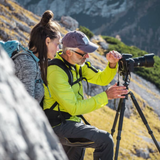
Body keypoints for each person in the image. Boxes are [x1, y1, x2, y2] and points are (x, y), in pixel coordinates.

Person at [43, 30, 128, 160]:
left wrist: (112, 64)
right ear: (69, 52)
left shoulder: (77, 65)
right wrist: (106, 96)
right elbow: (74, 108)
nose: (87, 56)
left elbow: (101, 79)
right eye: (83, 53)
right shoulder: (55, 72)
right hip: (57, 125)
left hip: (71, 123)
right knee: (105, 140)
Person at [13, 10, 61, 103]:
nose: (58, 49)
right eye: (57, 44)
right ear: (47, 41)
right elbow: (26, 105)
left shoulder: (34, 62)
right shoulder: (27, 64)